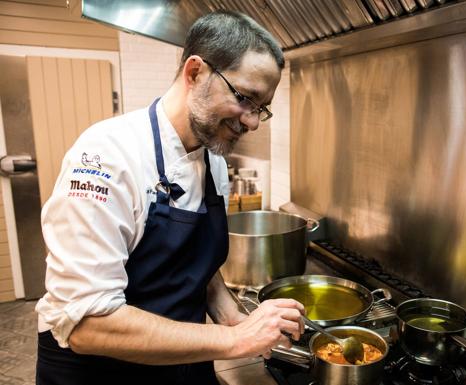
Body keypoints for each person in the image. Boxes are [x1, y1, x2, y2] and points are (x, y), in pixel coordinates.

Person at [35, 11, 304, 385]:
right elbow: (86, 325)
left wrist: (232, 318)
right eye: (245, 98)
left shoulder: (214, 160)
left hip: (182, 362)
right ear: (194, 73)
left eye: (262, 108)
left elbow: (197, 266)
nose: (253, 122)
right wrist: (233, 338)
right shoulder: (107, 157)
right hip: (101, 373)